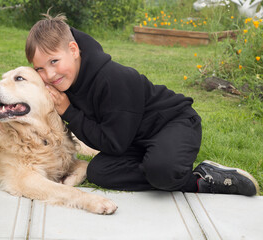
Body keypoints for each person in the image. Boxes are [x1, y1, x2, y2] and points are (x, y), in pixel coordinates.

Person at [25, 13, 259, 196]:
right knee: (99, 172)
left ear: (74, 50)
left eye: (54, 61)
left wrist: (69, 111)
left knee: (162, 172)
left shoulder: (112, 79)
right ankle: (156, 164)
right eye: (40, 68)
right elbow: (110, 143)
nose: (50, 74)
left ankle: (201, 179)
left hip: (172, 124)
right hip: (132, 138)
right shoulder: (67, 82)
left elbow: (112, 144)